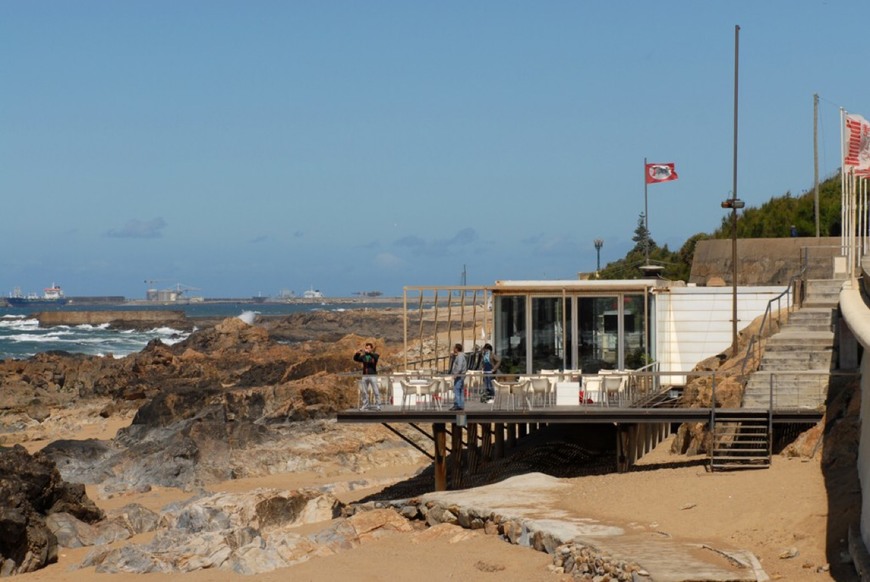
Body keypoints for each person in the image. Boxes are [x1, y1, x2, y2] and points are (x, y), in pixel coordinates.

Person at [353, 342, 381, 410]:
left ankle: (378, 405)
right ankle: (365, 405)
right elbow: (356, 359)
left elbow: (376, 357)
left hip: (372, 375)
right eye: (366, 348)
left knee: (376, 390)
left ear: (371, 349)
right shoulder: (364, 356)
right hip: (365, 375)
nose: (367, 349)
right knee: (364, 391)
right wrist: (357, 353)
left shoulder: (375, 355)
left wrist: (369, 353)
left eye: (368, 348)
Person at [449, 343, 467, 411]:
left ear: (456, 349)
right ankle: (461, 405)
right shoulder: (461, 356)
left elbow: (459, 367)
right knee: (460, 390)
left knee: (457, 389)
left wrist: (455, 375)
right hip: (461, 375)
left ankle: (458, 405)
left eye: (454, 348)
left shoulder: (460, 356)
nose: (453, 349)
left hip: (459, 375)